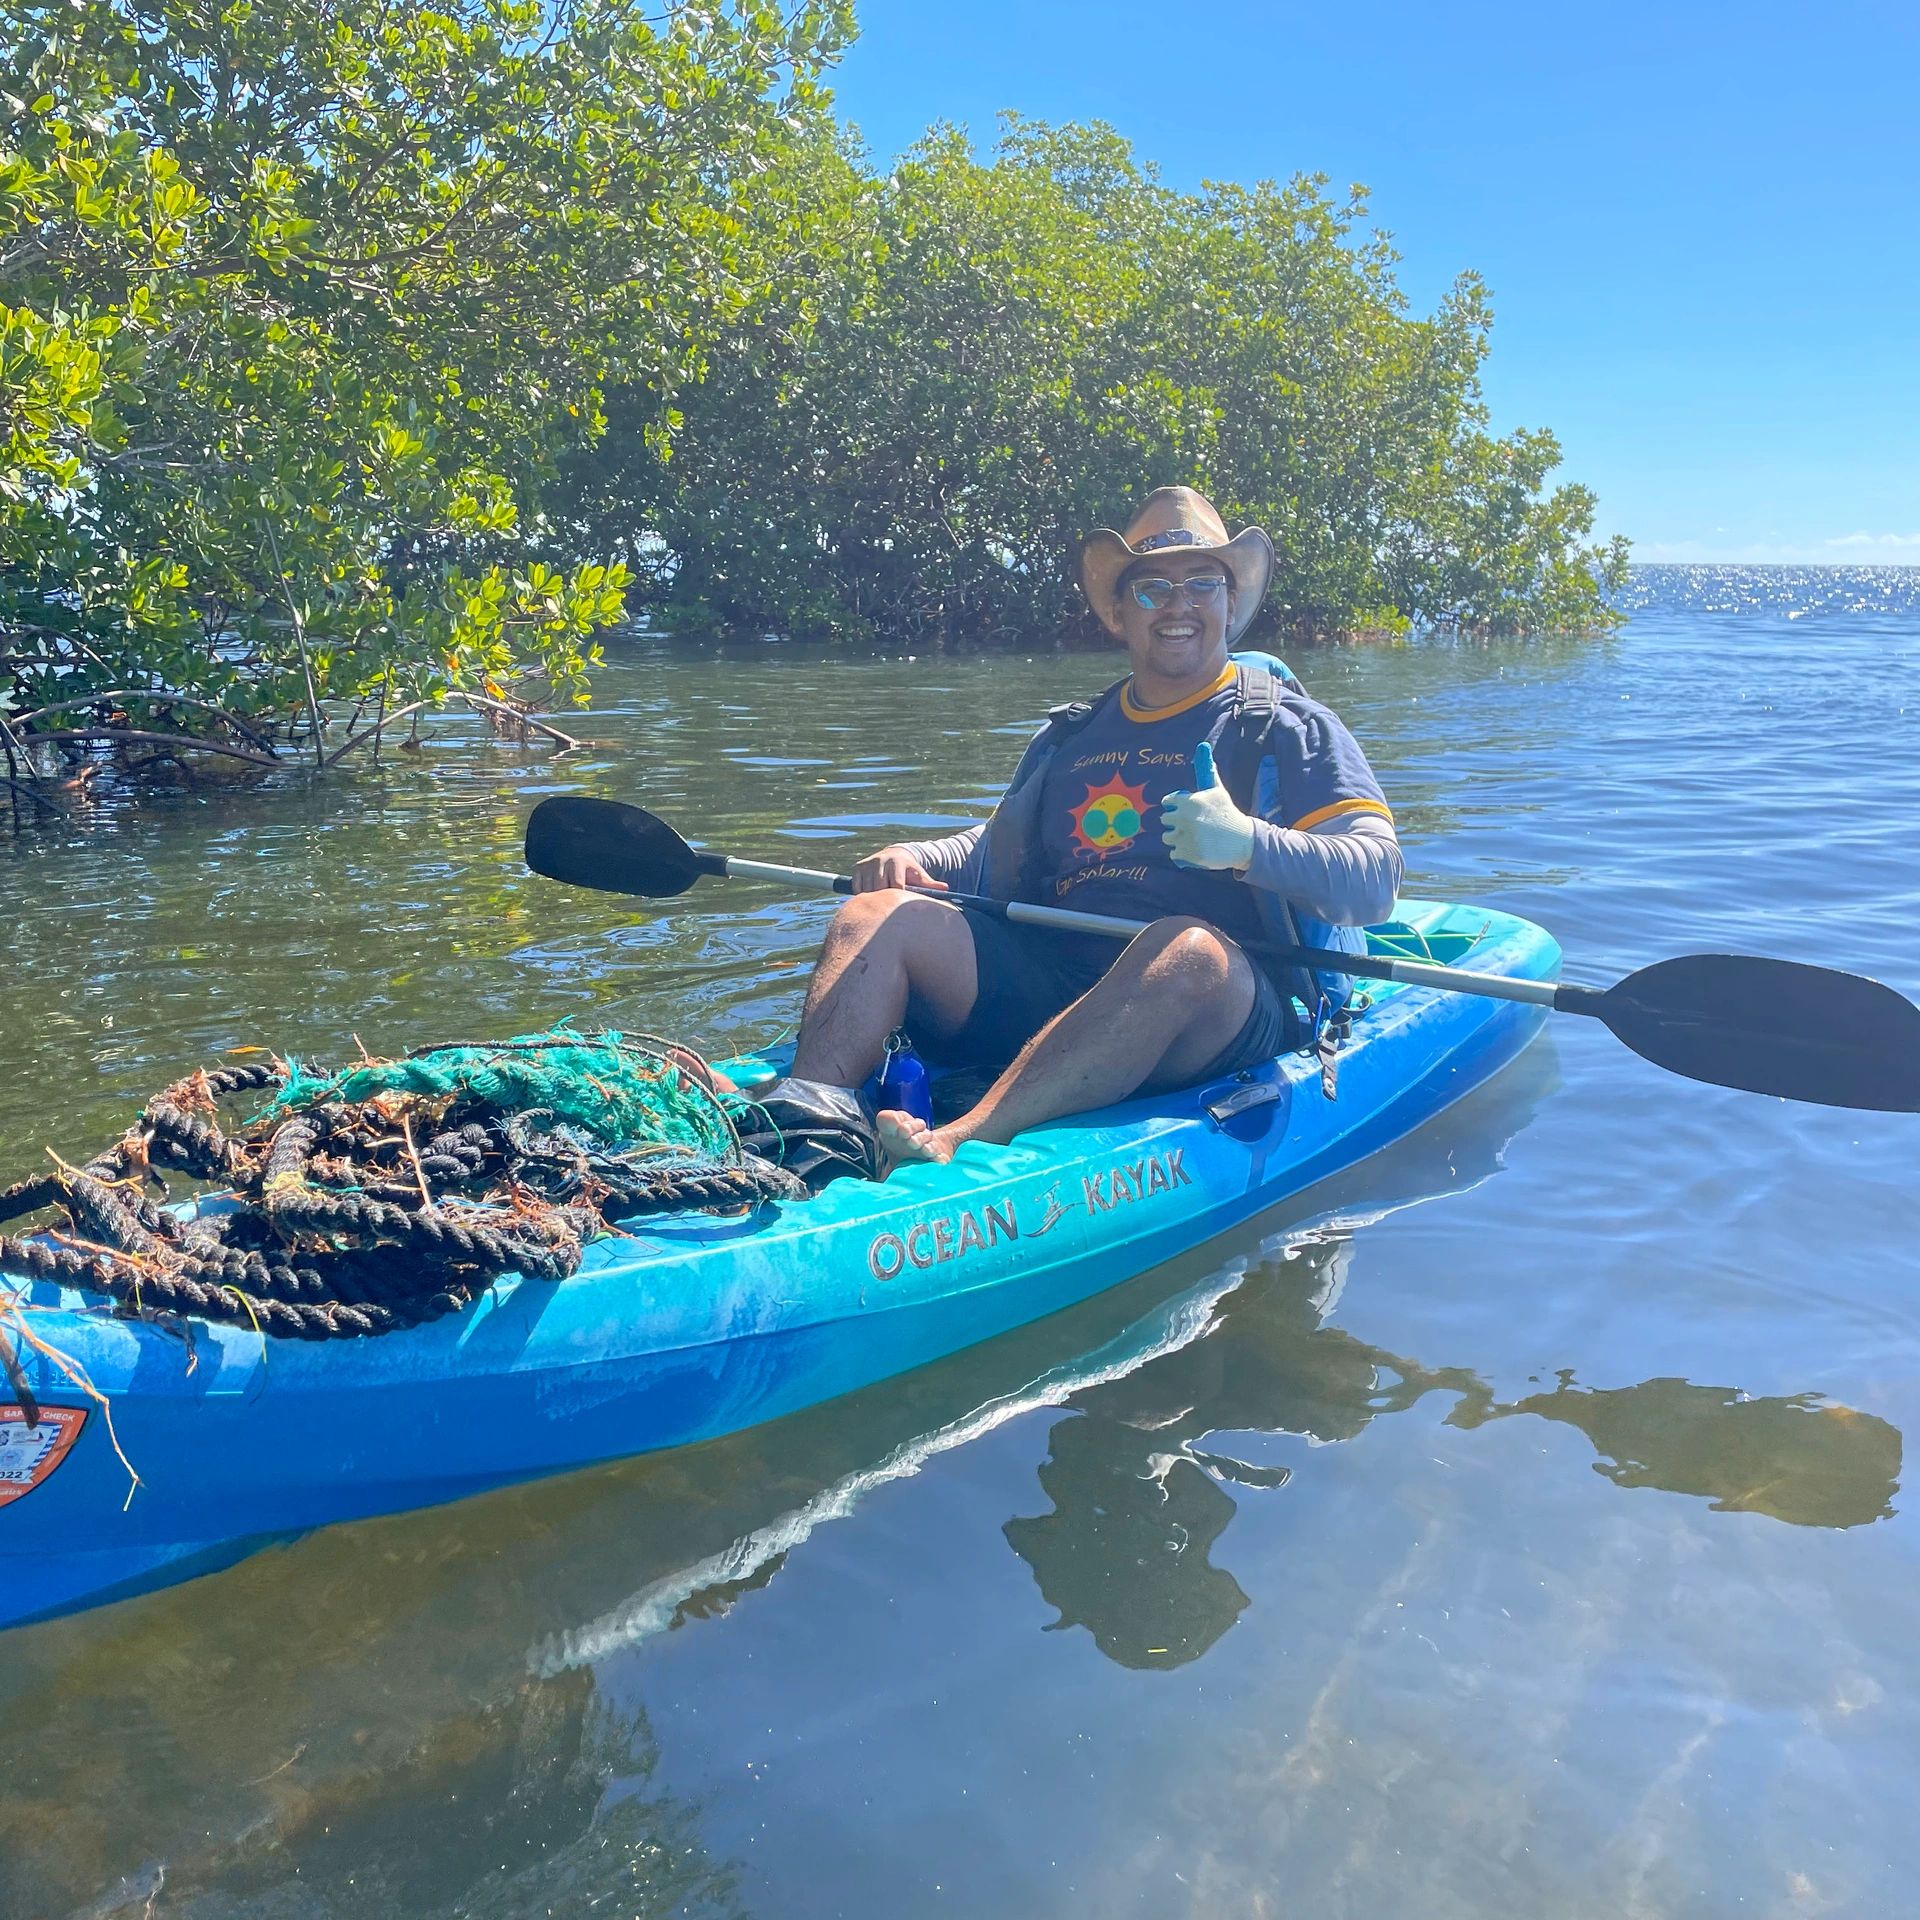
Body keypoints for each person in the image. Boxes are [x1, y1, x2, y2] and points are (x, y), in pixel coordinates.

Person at [741, 487, 1403, 1182]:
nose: (1178, 604)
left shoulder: (1289, 726)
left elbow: (1375, 879)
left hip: (1213, 1006)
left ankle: (965, 1140)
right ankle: (807, 1128)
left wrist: (1246, 843)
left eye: (1202, 582)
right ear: (1119, 613)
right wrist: (913, 856)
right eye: (1152, 588)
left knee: (1186, 949)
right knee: (876, 916)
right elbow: (990, 851)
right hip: (1059, 986)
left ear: (1229, 603)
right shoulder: (1071, 735)